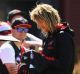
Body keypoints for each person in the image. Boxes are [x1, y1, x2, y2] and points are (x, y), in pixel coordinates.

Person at [29, 3, 75, 74]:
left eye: (39, 22)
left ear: (47, 19)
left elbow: (65, 65)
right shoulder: (48, 37)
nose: (38, 26)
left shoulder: (64, 36)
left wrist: (42, 59)